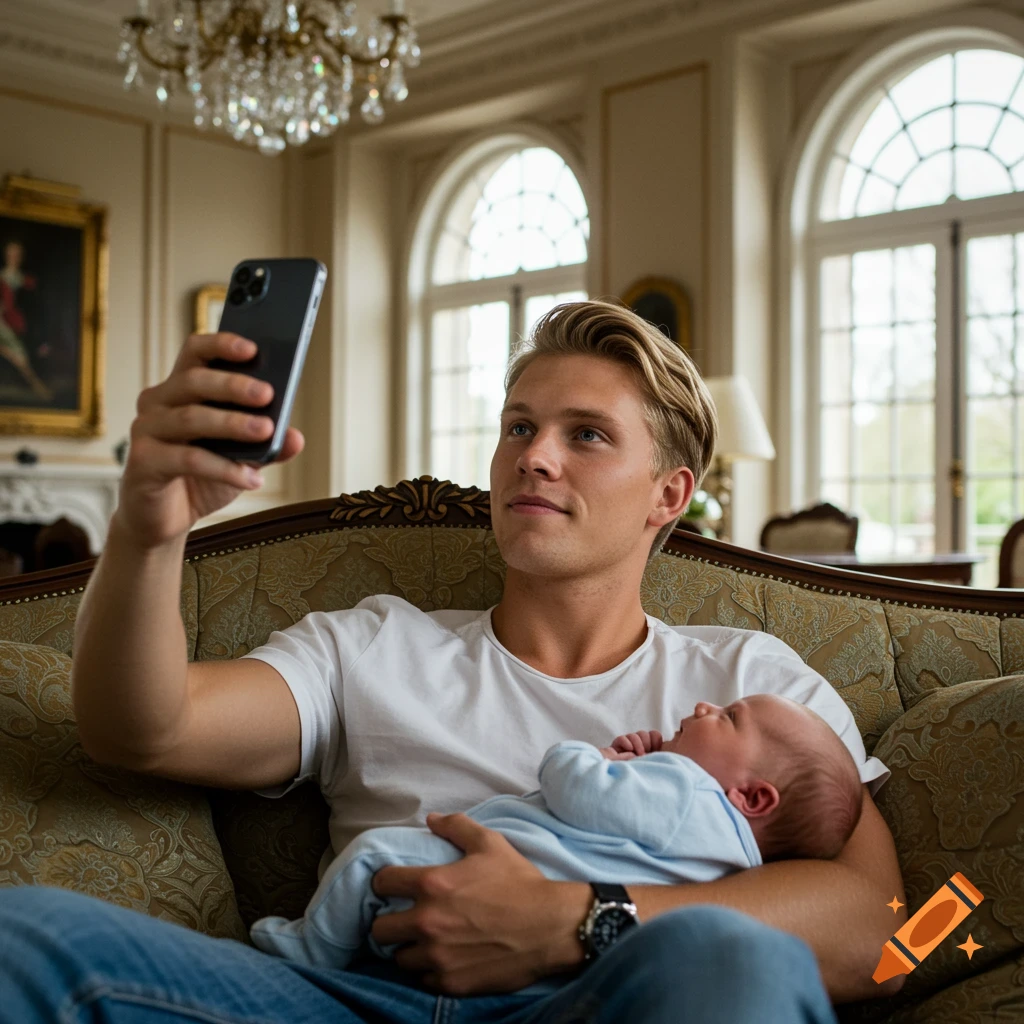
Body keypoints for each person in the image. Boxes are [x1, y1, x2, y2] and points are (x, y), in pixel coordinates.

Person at [0, 300, 907, 1024]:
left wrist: (586, 922)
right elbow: (141, 730)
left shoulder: (752, 682)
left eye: (585, 434)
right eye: (519, 426)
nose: (533, 458)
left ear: (668, 495)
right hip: (350, 997)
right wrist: (149, 527)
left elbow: (905, 934)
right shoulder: (374, 643)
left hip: (600, 1000)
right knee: (24, 936)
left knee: (732, 960)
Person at [249, 694, 864, 972]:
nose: (705, 707)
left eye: (729, 717)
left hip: (485, 904)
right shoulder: (732, 852)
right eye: (518, 425)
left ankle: (310, 952)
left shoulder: (686, 790)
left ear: (752, 796)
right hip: (567, 981)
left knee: (375, 854)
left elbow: (902, 946)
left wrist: (587, 757)